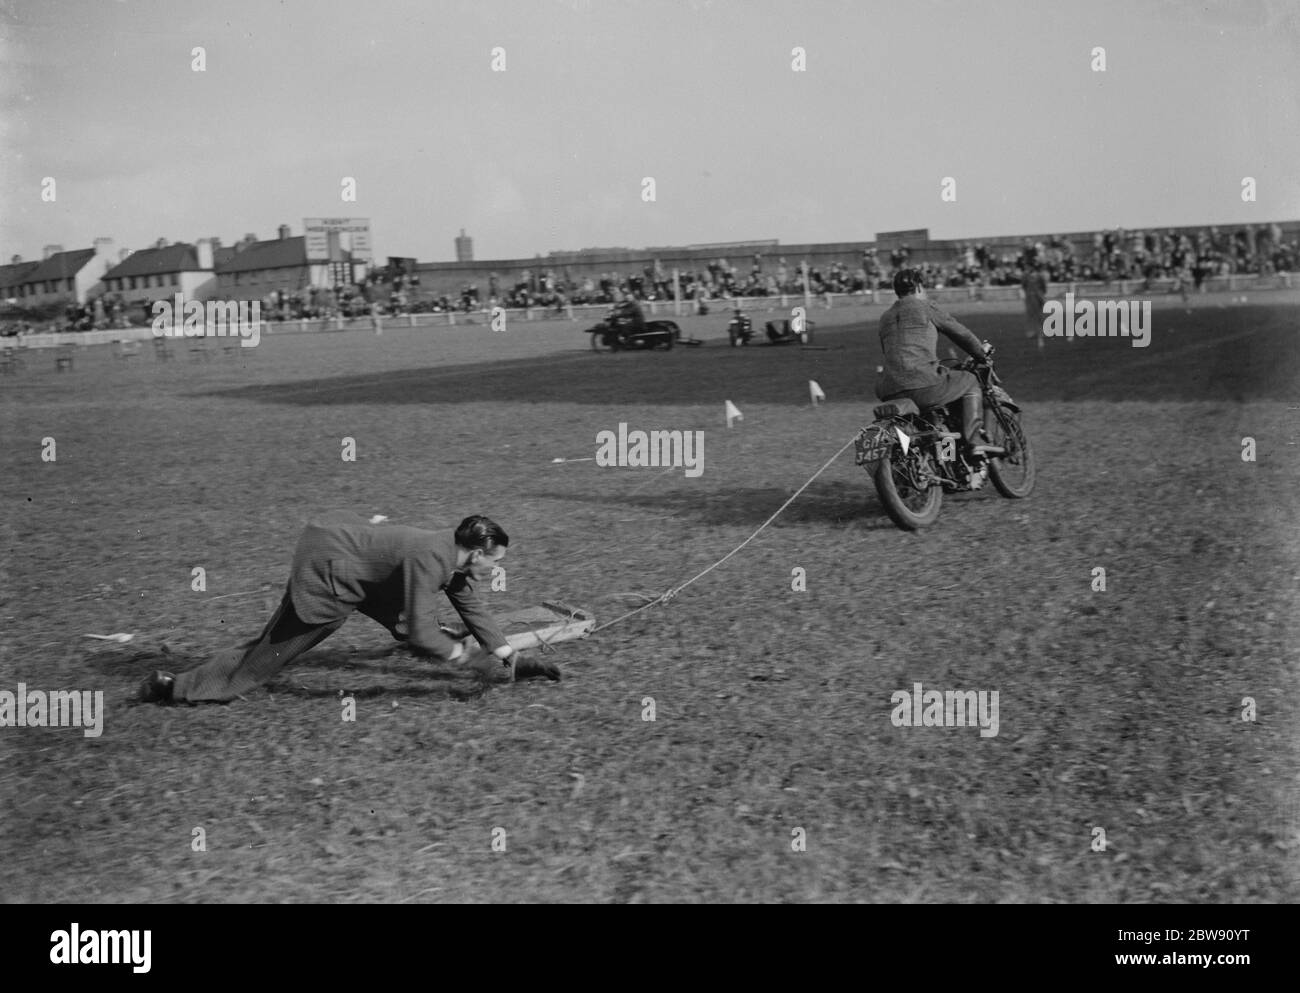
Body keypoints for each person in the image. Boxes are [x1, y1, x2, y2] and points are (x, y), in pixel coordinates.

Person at [138, 511, 557, 705]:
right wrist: (463, 657)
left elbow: (471, 605)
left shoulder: (452, 552)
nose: (497, 566)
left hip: (358, 570)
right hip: (330, 574)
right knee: (273, 652)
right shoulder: (431, 558)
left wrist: (509, 658)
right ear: (478, 552)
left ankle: (445, 645)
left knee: (412, 625)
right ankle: (174, 688)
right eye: (496, 559)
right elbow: (418, 628)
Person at [876, 269, 995, 460]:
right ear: (919, 287)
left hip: (889, 388)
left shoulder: (885, 317)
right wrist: (981, 353)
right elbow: (961, 334)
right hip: (923, 383)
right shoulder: (926, 307)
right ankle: (974, 442)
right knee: (970, 381)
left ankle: (946, 459)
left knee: (935, 419)